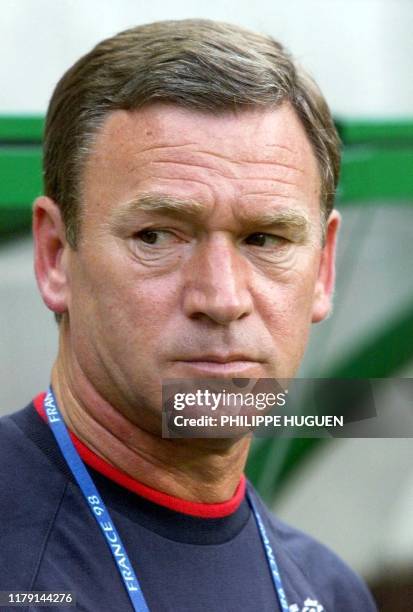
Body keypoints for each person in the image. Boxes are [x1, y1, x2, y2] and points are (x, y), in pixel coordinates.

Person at [0, 19, 377, 612]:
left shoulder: (330, 590)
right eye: (157, 235)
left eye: (265, 238)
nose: (223, 298)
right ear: (54, 257)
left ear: (324, 269)